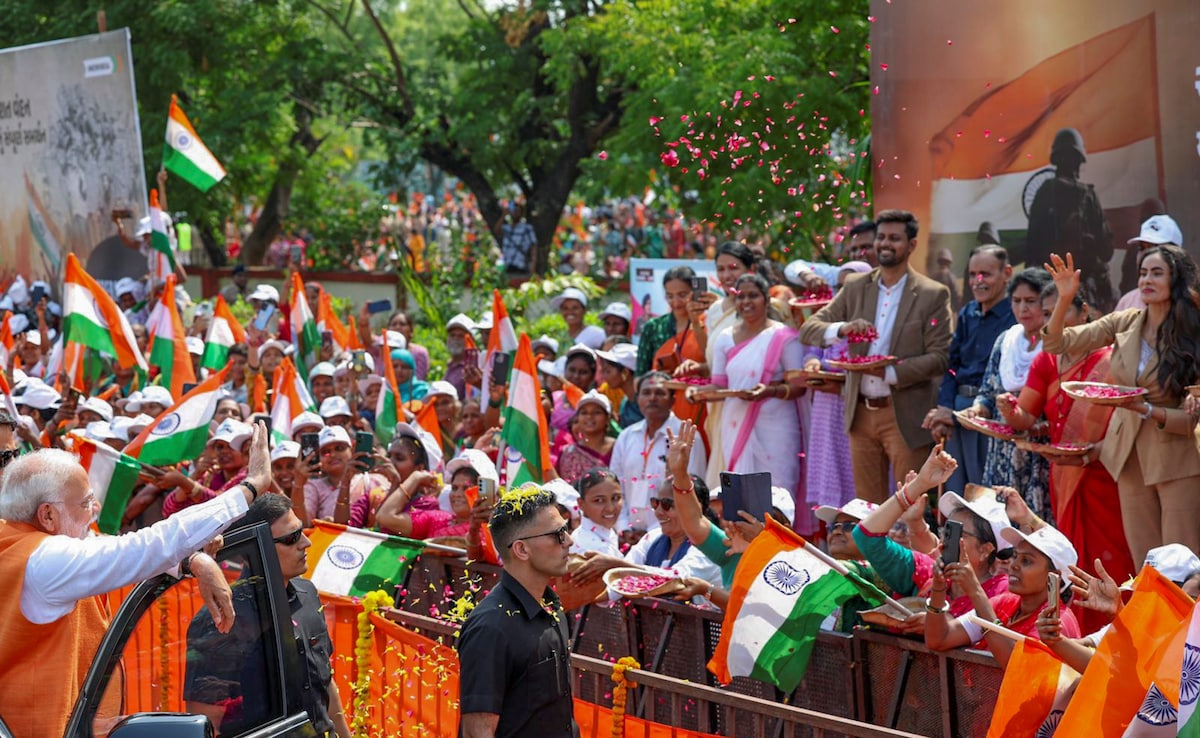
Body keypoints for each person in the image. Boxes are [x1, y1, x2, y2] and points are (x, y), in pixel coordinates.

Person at [0, 423, 272, 738]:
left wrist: (191, 560)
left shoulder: (15, 540)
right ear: (47, 515)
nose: (96, 509)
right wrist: (251, 487)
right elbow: (146, 545)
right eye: (86, 502)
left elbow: (108, 549)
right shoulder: (46, 560)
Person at [1043, 249, 1200, 565]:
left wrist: (1144, 409)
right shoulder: (1125, 321)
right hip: (1128, 459)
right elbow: (1056, 343)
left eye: (1156, 272)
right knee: (1147, 563)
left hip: (1178, 458)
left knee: (1183, 563)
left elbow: (1191, 418)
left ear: (1176, 279)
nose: (1146, 279)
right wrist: (1064, 298)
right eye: (1142, 272)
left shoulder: (1192, 331)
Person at [996, 282, 1136, 612]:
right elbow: (1025, 418)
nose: (1053, 321)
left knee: (1110, 552)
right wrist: (1008, 411)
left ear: (1085, 312)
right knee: (1071, 553)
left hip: (1105, 471)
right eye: (1047, 315)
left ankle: (1113, 627)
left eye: (1062, 311)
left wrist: (1099, 449)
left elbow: (1126, 421)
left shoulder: (1112, 361)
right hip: (1064, 473)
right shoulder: (1046, 360)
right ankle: (1078, 630)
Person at [798, 210, 953, 502]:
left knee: (908, 509)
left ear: (911, 245)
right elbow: (810, 328)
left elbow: (940, 357)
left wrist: (888, 372)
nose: (885, 244)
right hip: (860, 414)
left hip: (905, 415)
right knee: (868, 511)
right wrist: (844, 328)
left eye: (894, 238)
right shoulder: (857, 286)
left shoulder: (933, 294)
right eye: (881, 237)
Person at [184, 494, 351, 737]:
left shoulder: (307, 595)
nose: (306, 543)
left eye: (301, 532)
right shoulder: (221, 618)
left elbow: (325, 683)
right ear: (256, 548)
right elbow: (205, 718)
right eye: (292, 538)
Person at [457, 486, 577, 738]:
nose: (569, 541)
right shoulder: (491, 627)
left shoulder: (552, 608)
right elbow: (477, 732)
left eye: (566, 530)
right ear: (522, 549)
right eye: (557, 534)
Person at [853, 447, 1011, 620]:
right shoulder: (927, 571)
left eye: (958, 532)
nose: (945, 539)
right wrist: (918, 485)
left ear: (985, 550)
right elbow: (865, 536)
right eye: (947, 529)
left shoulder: (1002, 594)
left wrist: (935, 625)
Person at [690, 273, 805, 497]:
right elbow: (719, 386)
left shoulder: (784, 336)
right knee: (740, 495)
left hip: (776, 424)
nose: (746, 302)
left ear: (767, 300)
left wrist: (769, 391)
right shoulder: (724, 337)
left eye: (753, 296)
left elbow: (799, 387)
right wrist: (697, 392)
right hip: (735, 421)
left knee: (778, 493)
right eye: (741, 296)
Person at [925, 522, 1080, 668]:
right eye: (1015, 556)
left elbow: (1016, 666)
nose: (1013, 565)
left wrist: (976, 592)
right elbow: (939, 639)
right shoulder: (1005, 602)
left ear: (1055, 577)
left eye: (1026, 560)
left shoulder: (1057, 622)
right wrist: (939, 587)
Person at [923, 245, 1015, 491]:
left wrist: (953, 414)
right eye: (973, 274)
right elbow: (952, 367)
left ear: (1006, 273)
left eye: (986, 274)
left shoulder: (1014, 317)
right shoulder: (967, 313)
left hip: (990, 414)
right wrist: (945, 409)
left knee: (985, 495)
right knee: (955, 493)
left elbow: (1003, 378)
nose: (978, 281)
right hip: (958, 412)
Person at [967, 268, 1053, 516]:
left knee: (1034, 521)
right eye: (1016, 301)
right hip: (1002, 450)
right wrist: (976, 409)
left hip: (1038, 449)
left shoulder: (1056, 344)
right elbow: (988, 391)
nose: (1022, 309)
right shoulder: (1006, 340)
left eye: (1030, 301)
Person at [802, 261, 872, 516]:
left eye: (852, 287)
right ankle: (834, 535)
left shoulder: (874, 323)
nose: (845, 293)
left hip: (858, 410)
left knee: (859, 479)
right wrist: (811, 363)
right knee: (829, 475)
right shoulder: (830, 320)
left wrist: (842, 384)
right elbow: (812, 350)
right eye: (841, 287)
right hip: (826, 410)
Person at [690, 241, 757, 485]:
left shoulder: (757, 308)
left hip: (748, 397)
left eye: (733, 267)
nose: (727, 275)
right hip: (717, 399)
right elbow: (712, 357)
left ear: (751, 269)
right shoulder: (716, 308)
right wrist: (695, 321)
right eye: (721, 269)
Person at [1025, 127, 1114, 311]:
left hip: (1050, 292)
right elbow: (1106, 250)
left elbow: (1031, 248)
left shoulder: (1045, 193)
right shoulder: (1088, 196)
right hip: (1082, 293)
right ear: (1079, 161)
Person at [610, 373, 706, 533]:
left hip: (671, 535)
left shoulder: (687, 436)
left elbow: (694, 492)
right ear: (637, 398)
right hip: (628, 535)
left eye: (660, 393)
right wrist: (623, 528)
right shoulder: (626, 436)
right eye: (646, 393)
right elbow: (615, 488)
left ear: (673, 400)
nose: (652, 398)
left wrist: (652, 536)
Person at [1113, 214, 1184, 311]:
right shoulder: (1127, 302)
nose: (1146, 255)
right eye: (1142, 248)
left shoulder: (1192, 305)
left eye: (1154, 248)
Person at [555, 390, 615, 483]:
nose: (589, 416)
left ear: (607, 418)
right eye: (584, 413)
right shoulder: (568, 453)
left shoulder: (618, 447)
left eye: (596, 412)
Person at [569, 467, 623, 556]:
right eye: (599, 500)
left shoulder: (606, 533)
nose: (610, 508)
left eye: (616, 498)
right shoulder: (590, 549)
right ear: (581, 503)